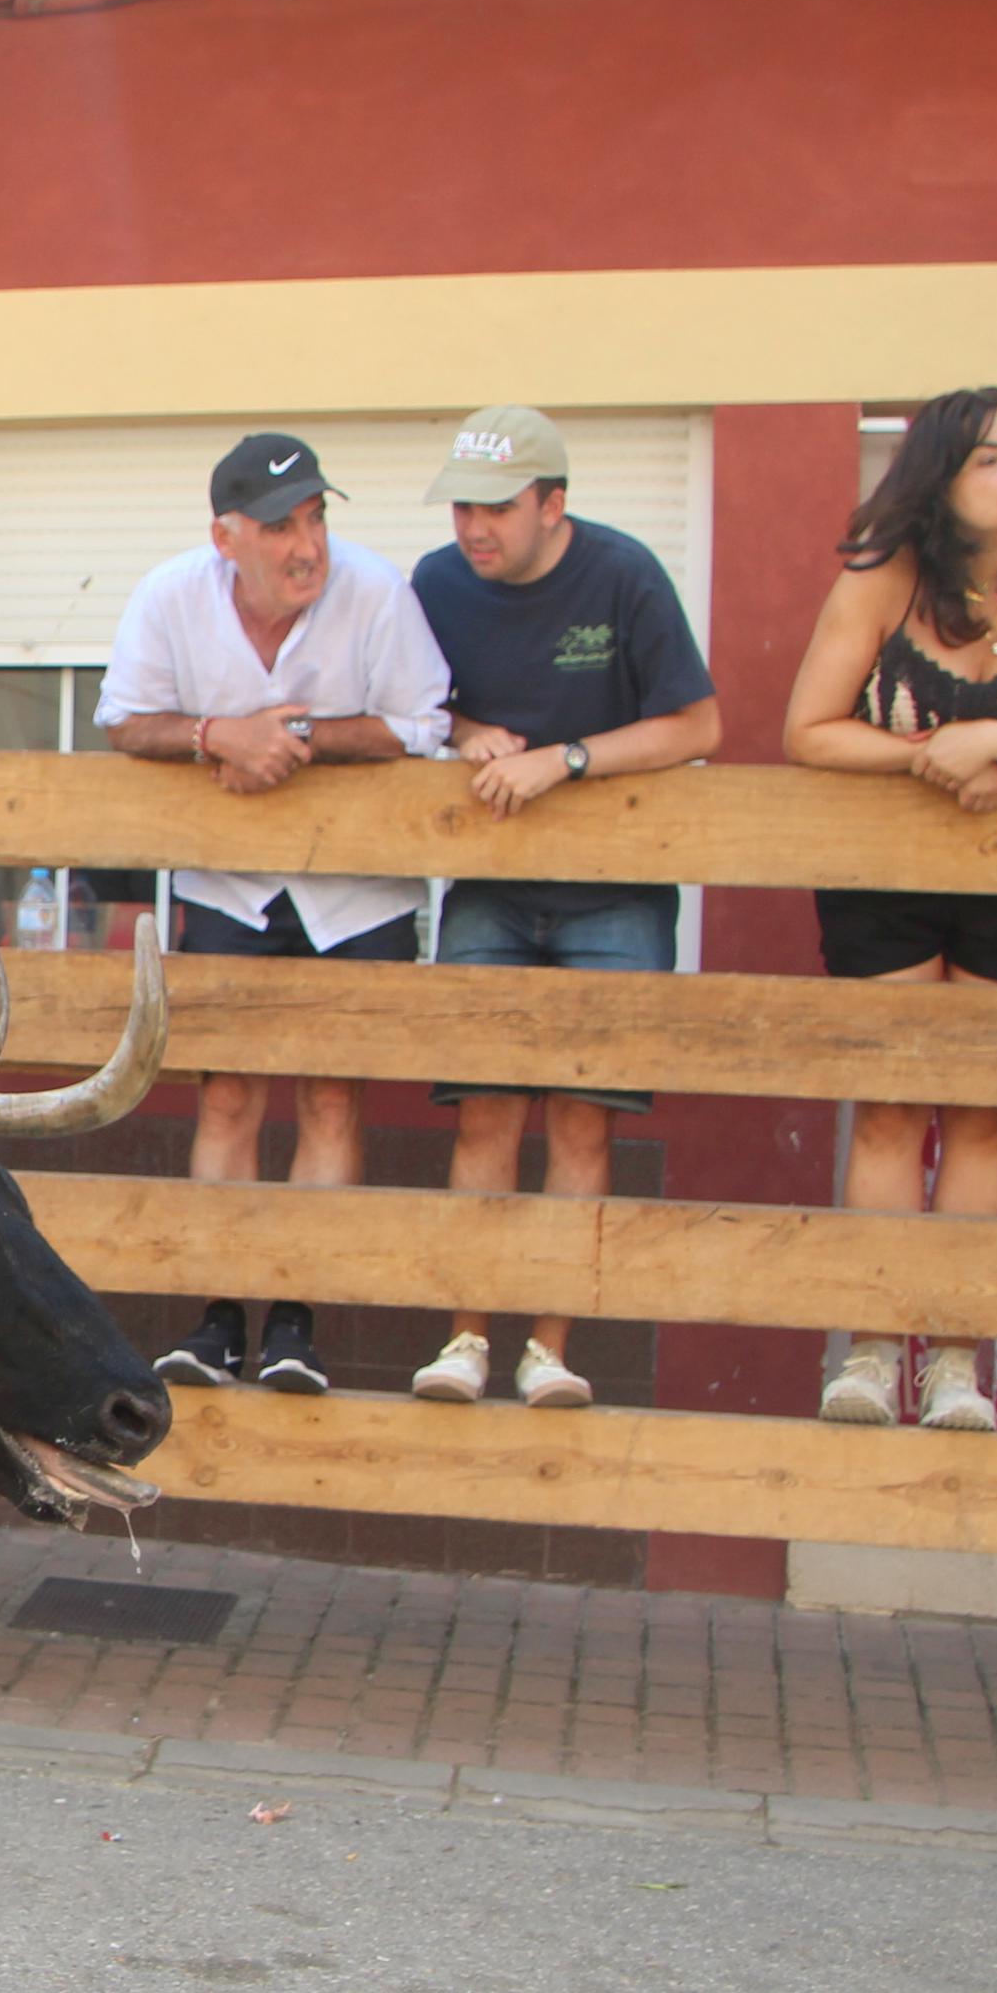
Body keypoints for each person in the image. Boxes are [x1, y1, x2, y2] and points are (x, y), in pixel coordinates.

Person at [784, 387, 997, 1431]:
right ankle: (870, 1349)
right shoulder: (879, 577)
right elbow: (808, 727)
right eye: (990, 459)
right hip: (879, 877)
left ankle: (952, 1360)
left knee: (984, 1113)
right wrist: (930, 760)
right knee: (891, 1105)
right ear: (937, 478)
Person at [94, 431, 453, 1398]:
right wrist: (216, 734)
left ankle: (296, 1319)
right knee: (225, 1096)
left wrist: (293, 735)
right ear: (226, 535)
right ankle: (215, 1318)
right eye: (281, 525)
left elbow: (424, 724)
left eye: (317, 518)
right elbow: (124, 716)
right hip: (227, 884)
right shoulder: (171, 594)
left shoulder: (374, 590)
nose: (308, 546)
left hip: (357, 891)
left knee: (331, 1097)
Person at [404, 408, 723, 1410]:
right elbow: (406, 699)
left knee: (582, 1127)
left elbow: (696, 724)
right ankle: (464, 1336)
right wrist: (460, 730)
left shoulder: (623, 575)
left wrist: (567, 759)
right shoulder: (432, 581)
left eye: (495, 506)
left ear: (553, 503)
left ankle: (547, 1347)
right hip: (488, 886)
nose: (472, 527)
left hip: (614, 894)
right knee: (483, 1117)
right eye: (460, 504)